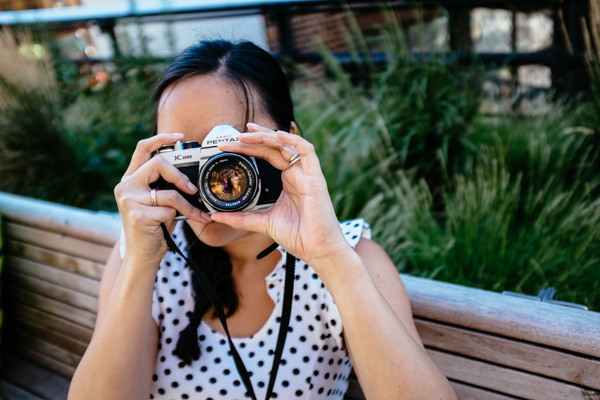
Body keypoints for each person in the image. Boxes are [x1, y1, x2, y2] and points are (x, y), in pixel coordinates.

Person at [68, 40, 456, 400]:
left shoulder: (350, 258)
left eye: (226, 151)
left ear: (286, 142)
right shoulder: (144, 257)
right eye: (184, 153)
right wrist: (139, 264)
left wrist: (330, 257)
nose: (207, 178)